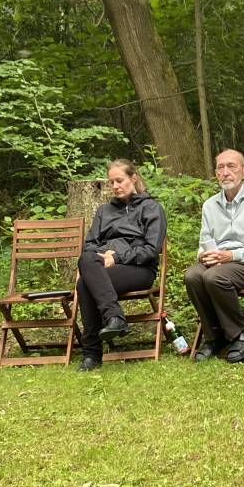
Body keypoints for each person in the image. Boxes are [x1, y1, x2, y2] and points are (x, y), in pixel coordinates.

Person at [76, 159, 166, 371]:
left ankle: (91, 354)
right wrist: (104, 257)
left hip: (139, 269)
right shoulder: (103, 211)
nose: (115, 186)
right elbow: (89, 246)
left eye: (119, 180)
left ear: (133, 178)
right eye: (111, 182)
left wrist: (116, 257)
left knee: (84, 284)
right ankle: (115, 317)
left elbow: (151, 250)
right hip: (103, 268)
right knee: (86, 259)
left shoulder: (151, 208)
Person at [185, 149, 244, 363]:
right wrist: (206, 256)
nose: (225, 172)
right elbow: (203, 243)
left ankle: (241, 333)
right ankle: (214, 336)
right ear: (216, 174)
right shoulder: (209, 205)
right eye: (220, 168)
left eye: (231, 166)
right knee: (192, 275)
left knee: (214, 277)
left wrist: (231, 255)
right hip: (218, 262)